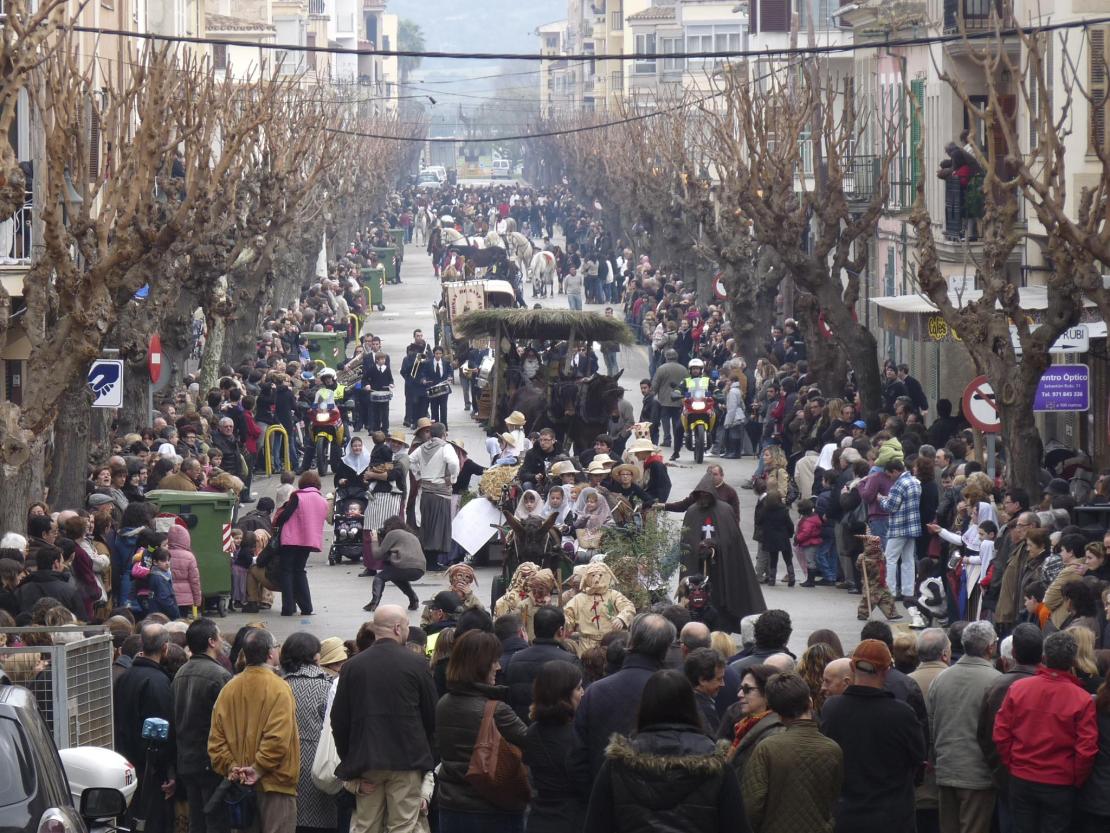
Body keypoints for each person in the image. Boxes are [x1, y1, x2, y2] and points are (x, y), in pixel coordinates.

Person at [584, 669, 750, 833]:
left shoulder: (618, 763)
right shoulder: (716, 762)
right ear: (691, 705)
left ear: (645, 706)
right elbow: (736, 825)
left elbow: (596, 825)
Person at [331, 605, 438, 833]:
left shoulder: (352, 667)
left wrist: (350, 760)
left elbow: (339, 720)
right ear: (398, 628)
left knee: (366, 826)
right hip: (407, 760)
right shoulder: (417, 664)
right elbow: (431, 715)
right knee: (403, 826)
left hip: (367, 761)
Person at [992, 630, 1099, 833]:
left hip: (1023, 777)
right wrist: (1075, 778)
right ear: (1073, 661)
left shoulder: (1019, 689)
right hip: (1059, 782)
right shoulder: (1081, 698)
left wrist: (1013, 764)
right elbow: (1086, 748)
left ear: (1044, 657)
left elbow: (1001, 733)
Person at [820, 639, 926, 833]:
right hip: (893, 817)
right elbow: (919, 757)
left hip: (847, 815)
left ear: (852, 666)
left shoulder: (832, 709)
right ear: (886, 671)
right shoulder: (901, 714)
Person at [436, 629, 529, 833]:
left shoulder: (444, 703)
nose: (498, 666)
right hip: (492, 807)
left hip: (450, 804)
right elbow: (532, 742)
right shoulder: (496, 710)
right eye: (494, 661)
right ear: (480, 666)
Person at [209, 628, 299, 833]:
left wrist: (232, 767)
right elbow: (277, 739)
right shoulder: (279, 688)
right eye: (276, 647)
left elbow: (216, 739)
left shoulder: (229, 688)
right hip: (274, 783)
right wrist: (258, 768)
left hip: (239, 783)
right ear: (270, 653)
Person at [570, 613, 676, 782]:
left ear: (631, 642)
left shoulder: (595, 691)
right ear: (666, 649)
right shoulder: (674, 691)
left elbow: (577, 754)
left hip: (606, 793)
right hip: (657, 795)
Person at [741, 672, 843, 833]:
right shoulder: (832, 749)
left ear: (775, 710)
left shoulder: (767, 748)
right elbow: (834, 798)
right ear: (809, 702)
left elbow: (752, 805)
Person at [925, 621, 999, 833]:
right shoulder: (996, 681)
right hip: (978, 775)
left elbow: (931, 725)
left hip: (946, 768)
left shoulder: (941, 678)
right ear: (990, 648)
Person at [678, 471, 766, 632]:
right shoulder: (691, 512)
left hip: (722, 568)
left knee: (720, 598)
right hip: (698, 568)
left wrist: (713, 547)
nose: (703, 497)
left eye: (706, 493)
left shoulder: (725, 510)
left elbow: (731, 538)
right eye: (700, 494)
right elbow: (687, 541)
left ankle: (723, 627)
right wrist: (698, 548)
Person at [976, 623, 1042, 833]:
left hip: (1009, 777)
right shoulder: (1050, 685)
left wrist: (1002, 767)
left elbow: (986, 735)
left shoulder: (998, 685)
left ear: (1013, 653)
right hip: (1049, 779)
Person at [171, 618, 232, 833]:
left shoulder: (180, 673)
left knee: (197, 820)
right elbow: (228, 722)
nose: (222, 640)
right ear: (211, 641)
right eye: (219, 636)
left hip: (187, 760)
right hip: (211, 762)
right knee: (215, 821)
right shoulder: (219, 675)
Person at [114, 623, 175, 831]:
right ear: (165, 648)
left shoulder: (125, 677)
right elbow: (164, 732)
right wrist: (168, 771)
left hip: (124, 763)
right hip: (149, 771)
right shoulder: (158, 682)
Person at [522, 660, 588, 833]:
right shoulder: (579, 734)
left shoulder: (532, 732)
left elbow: (530, 778)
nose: (583, 692)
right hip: (574, 820)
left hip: (539, 819)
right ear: (563, 694)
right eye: (579, 688)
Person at [280, 632, 337, 833]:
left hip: (283, 765)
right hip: (318, 764)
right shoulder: (326, 686)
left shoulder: (279, 685)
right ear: (315, 657)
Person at [505, 606, 580, 722]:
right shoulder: (570, 661)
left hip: (520, 728)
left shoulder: (515, 658)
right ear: (561, 631)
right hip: (556, 727)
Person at [272, 470, 328, 616]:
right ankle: (306, 607)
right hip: (308, 541)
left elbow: (285, 515)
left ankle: (288, 607)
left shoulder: (298, 496)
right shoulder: (322, 500)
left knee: (287, 571)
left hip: (291, 539)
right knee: (300, 571)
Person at [410, 423, 459, 570]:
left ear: (430, 434)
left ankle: (429, 560)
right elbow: (454, 463)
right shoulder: (446, 447)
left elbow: (410, 460)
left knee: (427, 526)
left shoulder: (422, 447)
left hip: (425, 493)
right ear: (444, 434)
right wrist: (452, 477)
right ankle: (433, 563)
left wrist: (418, 474)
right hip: (440, 492)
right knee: (438, 527)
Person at [365, 517, 425, 613]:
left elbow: (377, 555)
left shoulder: (393, 533)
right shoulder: (412, 536)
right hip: (419, 570)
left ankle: (374, 603)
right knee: (394, 575)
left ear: (389, 527)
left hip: (405, 566)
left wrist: (375, 540)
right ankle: (414, 600)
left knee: (379, 577)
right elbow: (386, 558)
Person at [684, 647, 726, 735]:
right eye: (719, 679)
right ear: (702, 680)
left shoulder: (684, 701)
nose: (723, 684)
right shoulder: (705, 711)